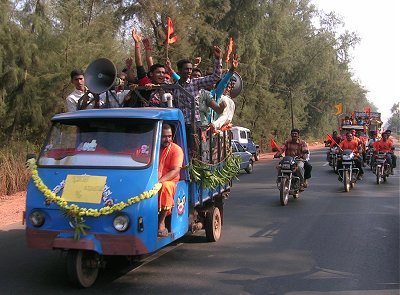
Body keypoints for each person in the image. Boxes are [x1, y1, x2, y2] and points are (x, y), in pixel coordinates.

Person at [171, 46, 223, 134]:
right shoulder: (174, 87)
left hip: (195, 124)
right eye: (186, 69)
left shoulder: (195, 83)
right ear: (179, 71)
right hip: (179, 124)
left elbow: (216, 77)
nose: (189, 71)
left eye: (190, 69)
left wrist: (218, 59)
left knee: (195, 147)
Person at [157, 124, 184, 237]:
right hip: (152, 180)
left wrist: (159, 182)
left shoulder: (176, 150)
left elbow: (175, 171)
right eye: (164, 136)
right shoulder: (152, 147)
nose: (167, 139)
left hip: (170, 182)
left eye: (169, 136)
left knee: (166, 186)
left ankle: (161, 222)